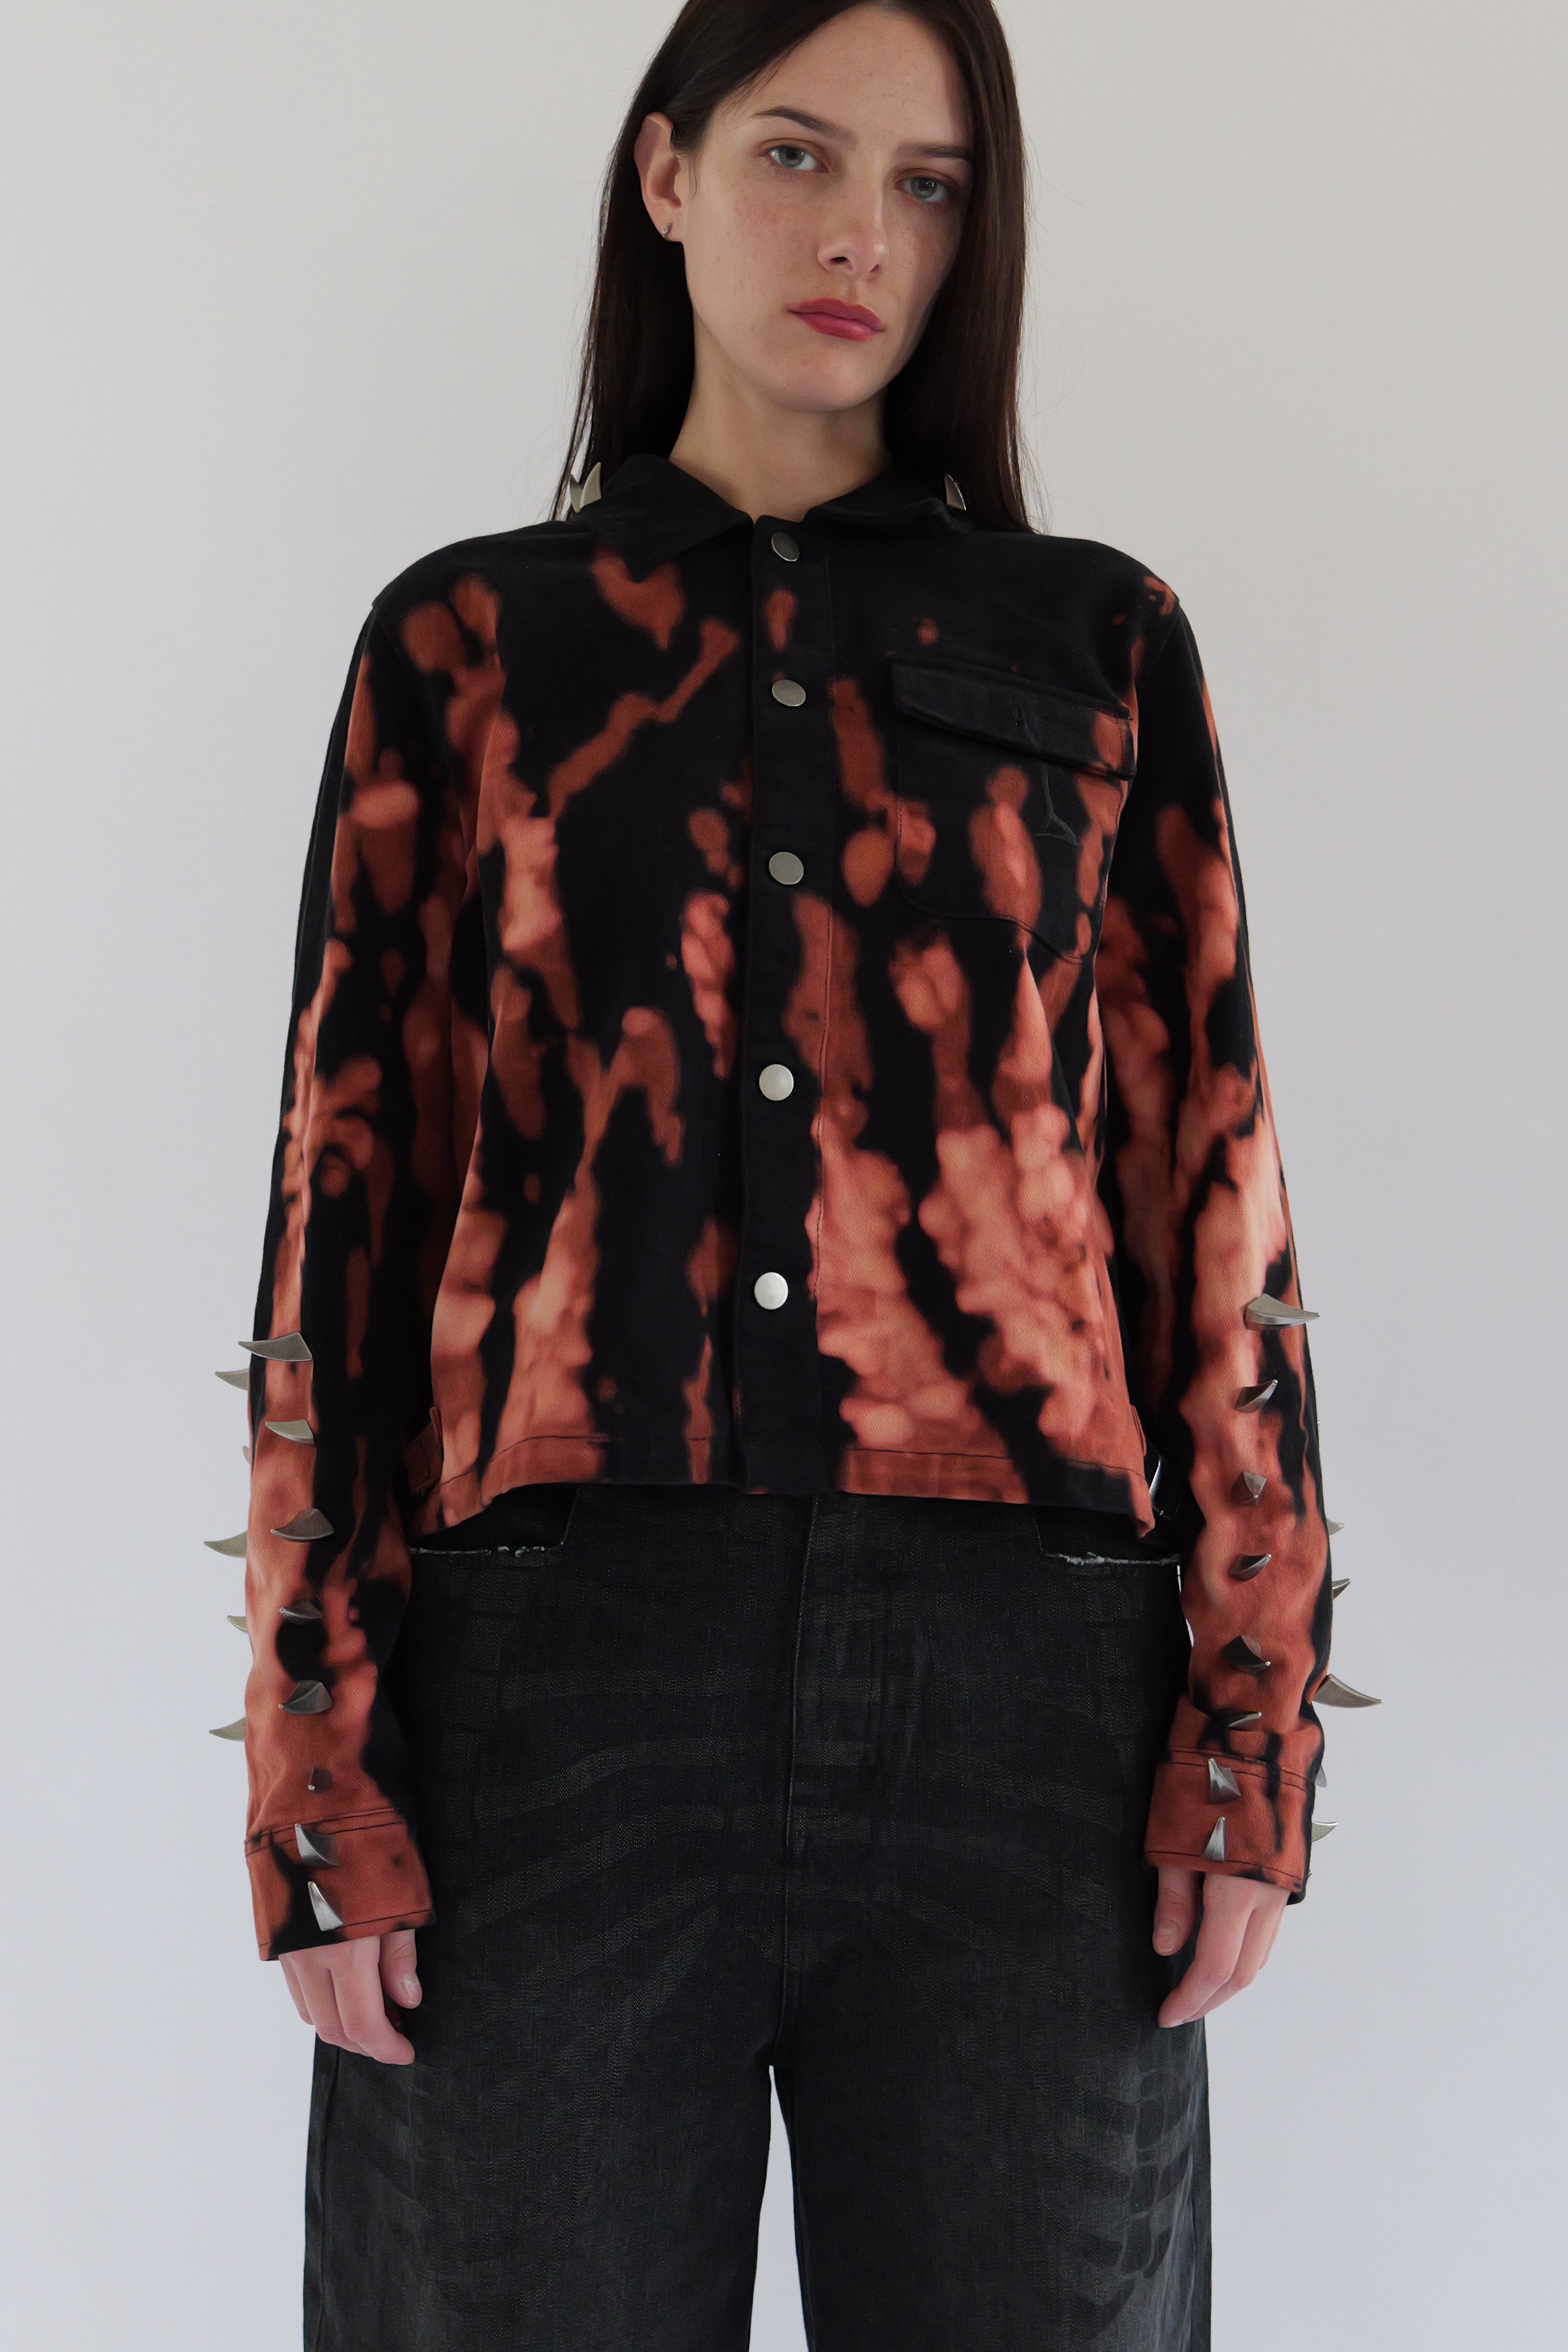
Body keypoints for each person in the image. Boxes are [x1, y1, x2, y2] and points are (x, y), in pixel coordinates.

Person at [217, 3, 1372, 2343]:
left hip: (1027, 1700)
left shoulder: (1100, 643)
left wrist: (1250, 1731)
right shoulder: (471, 646)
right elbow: (345, 1207)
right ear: (665, 176)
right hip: (549, 1677)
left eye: (930, 186)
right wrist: (316, 1764)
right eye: (796, 155)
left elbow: (1214, 1203)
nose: (862, 235)